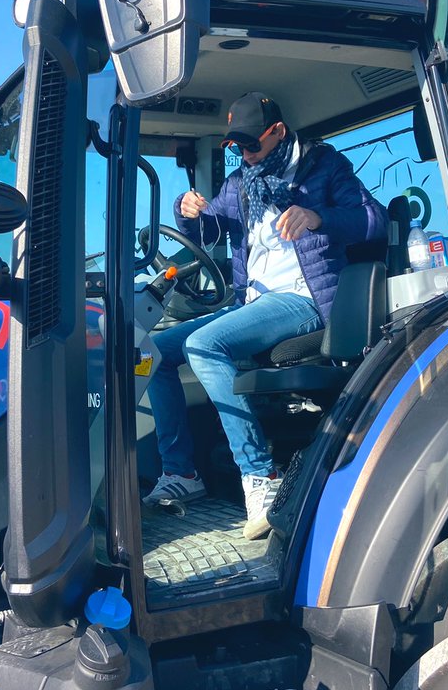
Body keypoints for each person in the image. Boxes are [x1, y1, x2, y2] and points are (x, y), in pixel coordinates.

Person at [144, 92, 387, 539]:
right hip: (253, 302)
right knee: (154, 351)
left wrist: (317, 216)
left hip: (304, 300)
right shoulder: (242, 182)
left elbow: (374, 221)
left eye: (251, 144)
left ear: (277, 132)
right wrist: (189, 212)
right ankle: (183, 474)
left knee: (204, 343)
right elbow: (213, 228)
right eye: (236, 147)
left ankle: (261, 478)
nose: (245, 153)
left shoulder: (323, 168)